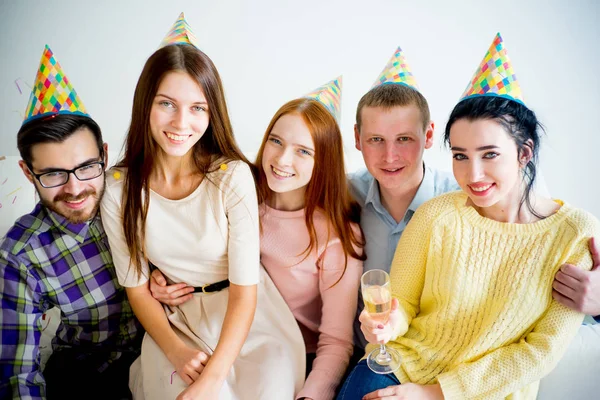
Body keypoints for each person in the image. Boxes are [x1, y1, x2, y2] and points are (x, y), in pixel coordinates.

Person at [338, 33, 600, 400]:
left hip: (482, 392)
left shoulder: (574, 233)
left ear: (524, 153)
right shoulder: (437, 212)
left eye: (489, 154)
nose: (473, 174)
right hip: (395, 369)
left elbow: (540, 352)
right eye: (460, 155)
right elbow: (405, 304)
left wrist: (434, 393)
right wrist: (388, 323)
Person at [99, 14, 304, 400]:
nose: (181, 122)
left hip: (249, 320)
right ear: (146, 104)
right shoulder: (119, 189)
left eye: (198, 108)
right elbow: (138, 289)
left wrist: (212, 379)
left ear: (211, 114)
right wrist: (176, 351)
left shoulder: (231, 177)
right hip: (176, 324)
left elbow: (246, 291)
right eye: (167, 104)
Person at [0, 45, 141, 400]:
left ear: (105, 155)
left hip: (166, 354)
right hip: (88, 371)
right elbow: (17, 372)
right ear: (27, 172)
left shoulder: (139, 196)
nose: (75, 188)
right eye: (53, 174)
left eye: (86, 167)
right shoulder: (19, 254)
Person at [254, 79, 365, 400]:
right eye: (276, 141)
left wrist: (312, 395)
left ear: (323, 162)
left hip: (295, 357)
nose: (282, 159)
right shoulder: (238, 196)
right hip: (229, 338)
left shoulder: (336, 237)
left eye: (303, 151)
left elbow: (336, 341)